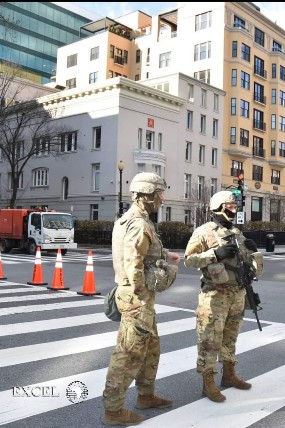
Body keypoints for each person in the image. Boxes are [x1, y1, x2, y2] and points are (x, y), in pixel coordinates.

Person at [102, 172, 180, 426]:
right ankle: (113, 410)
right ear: (147, 194)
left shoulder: (131, 220)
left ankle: (145, 396)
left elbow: (143, 249)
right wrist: (137, 292)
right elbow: (133, 260)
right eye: (159, 193)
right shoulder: (139, 223)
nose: (162, 197)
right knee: (129, 352)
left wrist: (165, 254)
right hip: (137, 297)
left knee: (150, 348)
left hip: (137, 295)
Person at [184, 190, 263, 402]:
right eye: (230, 206)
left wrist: (253, 253)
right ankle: (208, 383)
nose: (234, 209)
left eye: (235, 206)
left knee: (230, 337)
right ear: (218, 208)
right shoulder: (204, 232)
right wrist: (215, 254)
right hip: (215, 295)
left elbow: (246, 265)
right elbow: (189, 260)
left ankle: (229, 375)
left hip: (237, 293)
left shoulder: (237, 232)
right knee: (210, 340)